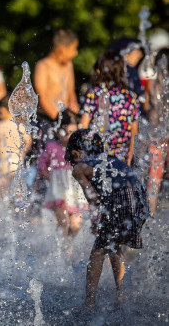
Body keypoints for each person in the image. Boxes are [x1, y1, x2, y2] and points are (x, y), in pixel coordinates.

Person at [65, 129, 149, 309]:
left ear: (76, 153)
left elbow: (93, 200)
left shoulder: (79, 168)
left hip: (121, 204)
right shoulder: (111, 160)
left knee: (98, 251)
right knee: (113, 246)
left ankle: (89, 303)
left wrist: (97, 222)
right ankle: (123, 297)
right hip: (140, 204)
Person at [80, 50, 139, 165]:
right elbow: (134, 131)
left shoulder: (95, 93)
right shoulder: (130, 96)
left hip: (97, 154)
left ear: (100, 71)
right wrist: (129, 159)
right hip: (122, 155)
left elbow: (83, 125)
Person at [37, 110, 87, 240]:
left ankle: (70, 242)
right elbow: (42, 164)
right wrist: (48, 177)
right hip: (58, 190)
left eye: (74, 132)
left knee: (76, 224)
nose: (71, 136)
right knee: (63, 222)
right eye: (68, 132)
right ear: (59, 131)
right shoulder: (52, 146)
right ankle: (63, 249)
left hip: (75, 189)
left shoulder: (79, 148)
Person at [34, 29, 80, 151]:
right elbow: (41, 97)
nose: (75, 53)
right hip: (47, 119)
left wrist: (73, 110)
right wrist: (58, 119)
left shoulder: (69, 65)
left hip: (64, 119)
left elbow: (71, 92)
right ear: (63, 49)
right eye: (73, 49)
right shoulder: (43, 66)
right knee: (47, 153)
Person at [0, 94, 31, 203]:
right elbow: (28, 141)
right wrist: (23, 152)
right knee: (19, 188)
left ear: (7, 110)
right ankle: (20, 211)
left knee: (2, 191)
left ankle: (2, 210)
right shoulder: (21, 125)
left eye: (0, 112)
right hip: (18, 161)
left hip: (4, 162)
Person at [144, 48, 169, 214]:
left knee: (154, 176)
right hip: (165, 131)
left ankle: (150, 213)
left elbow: (146, 105)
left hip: (155, 133)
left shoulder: (152, 83)